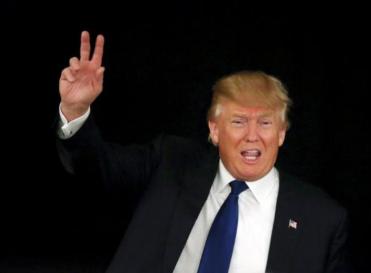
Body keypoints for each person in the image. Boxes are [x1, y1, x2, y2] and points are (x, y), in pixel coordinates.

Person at [56, 31, 352, 273]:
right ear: (214, 129)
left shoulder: (322, 219)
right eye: (238, 122)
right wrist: (75, 110)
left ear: (282, 133)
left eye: (265, 122)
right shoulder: (170, 164)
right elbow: (96, 167)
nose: (253, 136)